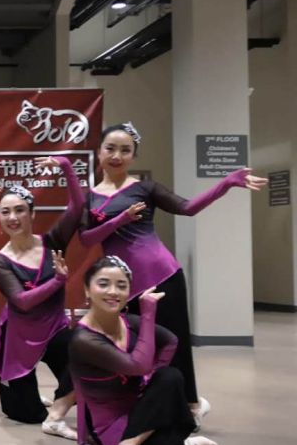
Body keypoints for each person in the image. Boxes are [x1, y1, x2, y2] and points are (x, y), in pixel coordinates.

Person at [79, 122, 267, 427]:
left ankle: (190, 405)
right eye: (110, 148)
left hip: (162, 276)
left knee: (173, 345)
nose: (116, 155)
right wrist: (120, 220)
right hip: (120, 286)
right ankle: (140, 408)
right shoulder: (89, 197)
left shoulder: (145, 188)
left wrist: (227, 183)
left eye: (125, 150)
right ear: (99, 152)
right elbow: (87, 240)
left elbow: (188, 208)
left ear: (134, 156)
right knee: (130, 348)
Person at [68, 256, 218, 445]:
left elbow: (170, 341)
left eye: (121, 286)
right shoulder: (83, 339)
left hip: (139, 411)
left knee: (170, 377)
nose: (113, 292)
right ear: (87, 290)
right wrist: (147, 313)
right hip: (111, 428)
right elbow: (138, 365)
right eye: (103, 284)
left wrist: (149, 381)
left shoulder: (126, 321)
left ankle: (170, 444)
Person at [0, 156, 82, 438]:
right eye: (5, 212)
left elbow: (77, 207)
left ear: (32, 214)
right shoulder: (0, 261)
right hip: (19, 336)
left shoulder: (53, 242)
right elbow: (22, 302)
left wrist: (65, 166)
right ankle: (31, 397)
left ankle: (59, 407)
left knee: (86, 359)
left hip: (54, 328)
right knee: (24, 414)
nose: (13, 218)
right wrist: (58, 281)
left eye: (20, 210)